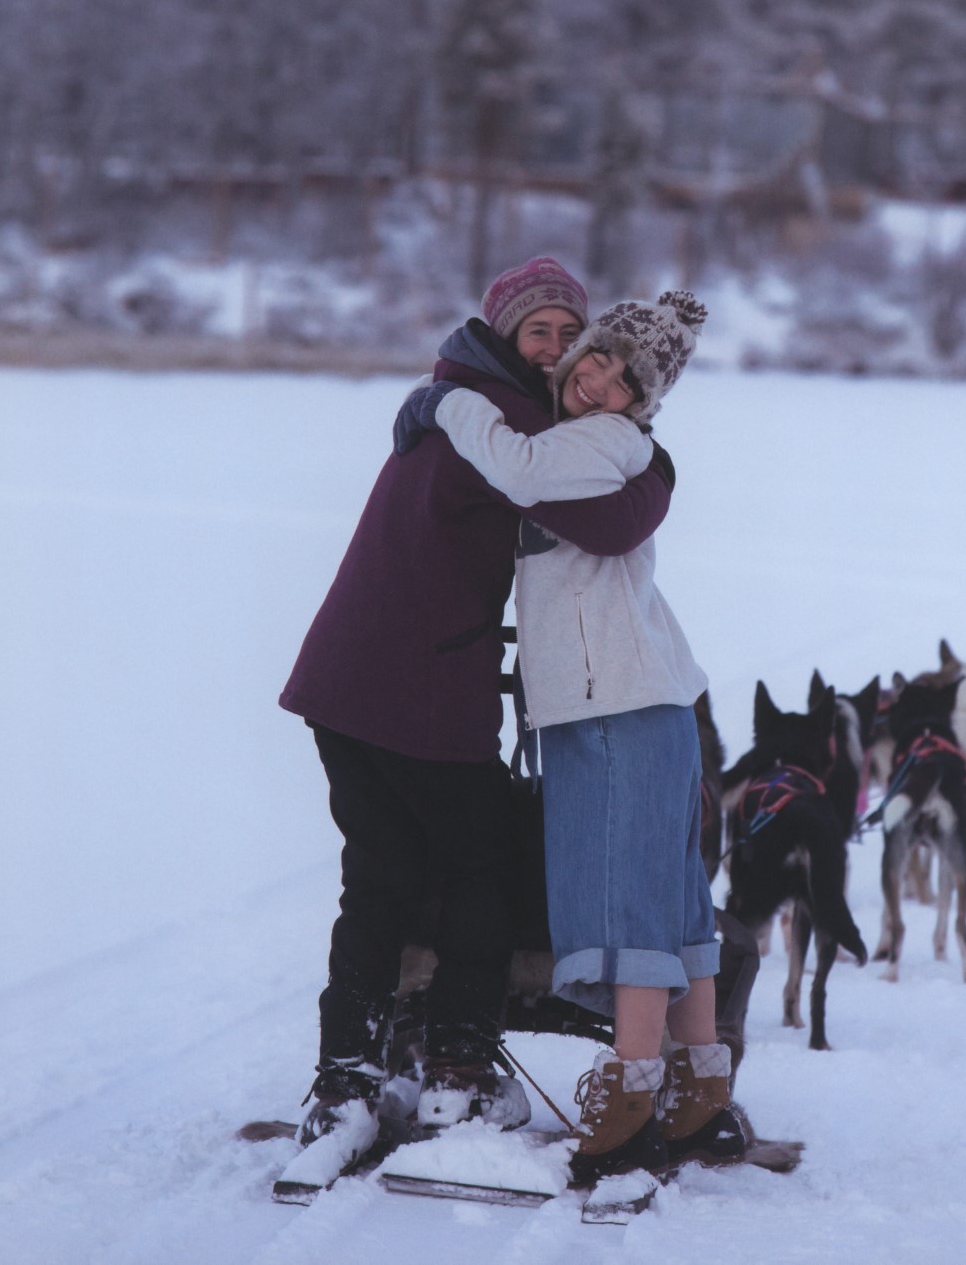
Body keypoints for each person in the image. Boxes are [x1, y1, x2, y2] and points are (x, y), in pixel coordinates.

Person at [278, 257, 675, 1171]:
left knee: (378, 876)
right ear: (502, 334)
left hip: (344, 681)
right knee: (481, 866)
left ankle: (346, 1083)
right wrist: (658, 465)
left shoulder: (461, 398)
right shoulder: (504, 421)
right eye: (538, 330)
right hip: (420, 688)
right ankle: (457, 1069)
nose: (556, 349)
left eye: (567, 334)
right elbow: (615, 524)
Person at [399, 292, 746, 1184]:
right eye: (592, 358)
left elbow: (511, 466)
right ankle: (697, 1084)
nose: (593, 380)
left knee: (622, 897)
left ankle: (630, 1095)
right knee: (672, 899)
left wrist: (446, 401)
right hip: (647, 699)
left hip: (612, 705)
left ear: (643, 403)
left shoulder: (597, 445)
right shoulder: (611, 447)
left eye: (623, 379)